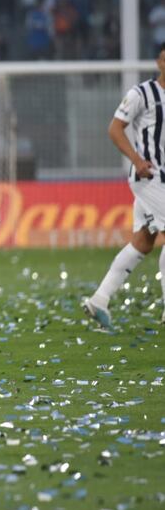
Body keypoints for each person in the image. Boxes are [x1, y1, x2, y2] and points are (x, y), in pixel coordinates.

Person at [84, 41, 165, 328]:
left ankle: (99, 300)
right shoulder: (141, 94)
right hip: (149, 177)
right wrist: (137, 160)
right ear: (159, 61)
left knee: (143, 242)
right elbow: (114, 129)